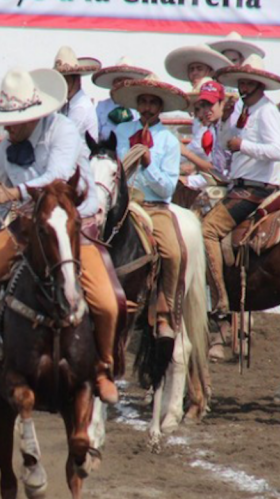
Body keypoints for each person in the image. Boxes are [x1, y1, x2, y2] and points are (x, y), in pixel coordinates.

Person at [0, 67, 123, 404]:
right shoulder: (6, 149)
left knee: (108, 301)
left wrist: (15, 193)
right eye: (5, 121)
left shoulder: (63, 131)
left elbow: (59, 177)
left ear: (33, 116)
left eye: (14, 121)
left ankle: (103, 366)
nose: (8, 128)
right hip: (27, 227)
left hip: (71, 224)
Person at [203, 55, 280, 318]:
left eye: (247, 81)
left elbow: (277, 150)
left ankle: (219, 300)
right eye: (241, 81)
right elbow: (225, 144)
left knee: (207, 230)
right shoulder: (243, 111)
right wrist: (224, 122)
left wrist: (244, 146)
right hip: (240, 185)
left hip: (255, 189)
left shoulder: (266, 111)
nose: (243, 86)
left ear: (258, 84)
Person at [112, 75, 190, 343]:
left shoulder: (168, 141)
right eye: (142, 101)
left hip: (155, 208)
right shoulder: (122, 132)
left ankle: (165, 311)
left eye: (152, 103)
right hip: (125, 205)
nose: (146, 107)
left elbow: (168, 188)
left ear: (160, 107)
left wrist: (148, 163)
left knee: (172, 252)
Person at [181, 80, 233, 188]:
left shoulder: (227, 129)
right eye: (203, 106)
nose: (206, 111)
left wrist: (185, 152)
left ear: (222, 104)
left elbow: (218, 172)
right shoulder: (214, 129)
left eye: (210, 105)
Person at [91, 56, 151, 142]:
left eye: (127, 82)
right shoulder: (102, 106)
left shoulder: (139, 108)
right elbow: (94, 134)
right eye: (119, 81)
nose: (122, 85)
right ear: (113, 83)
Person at [54, 46, 101, 143]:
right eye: (59, 80)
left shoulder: (80, 107)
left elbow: (63, 139)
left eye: (66, 79)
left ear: (77, 79)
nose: (62, 84)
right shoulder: (71, 105)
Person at [164, 44, 232, 90]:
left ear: (211, 72)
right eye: (191, 69)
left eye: (200, 69)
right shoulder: (191, 94)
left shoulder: (218, 92)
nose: (194, 72)